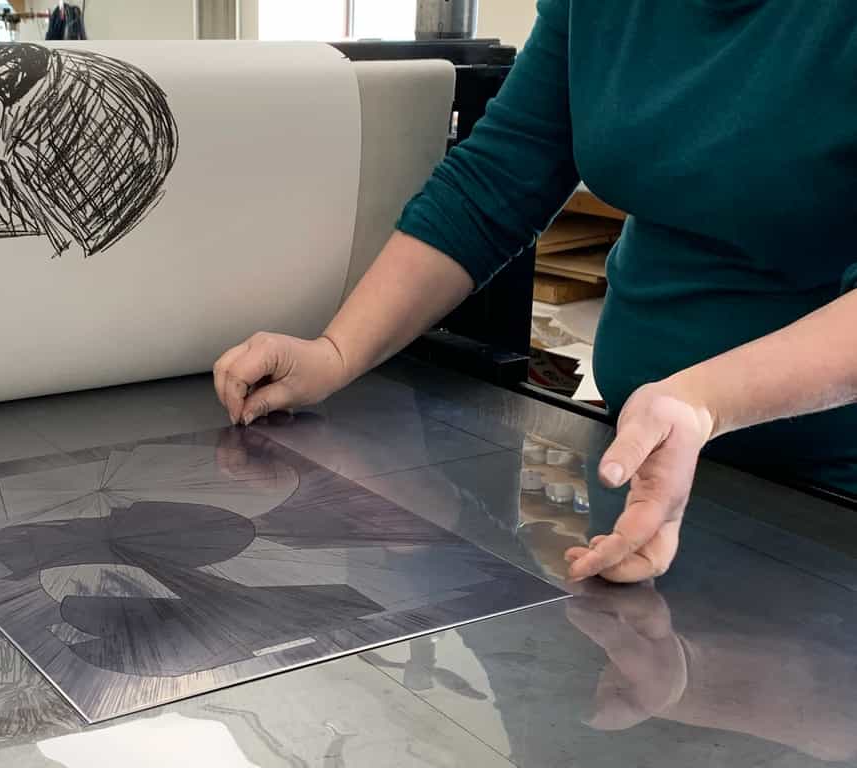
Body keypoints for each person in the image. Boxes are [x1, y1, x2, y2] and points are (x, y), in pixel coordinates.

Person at [212, 1, 857, 584]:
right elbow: (498, 178)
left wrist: (707, 403)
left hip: (831, 495)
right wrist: (337, 352)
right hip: (638, 461)